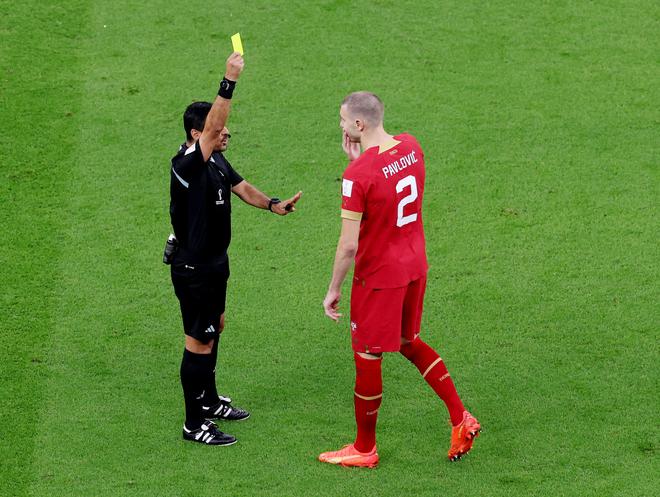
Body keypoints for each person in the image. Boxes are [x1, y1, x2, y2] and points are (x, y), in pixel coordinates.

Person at [318, 91, 480, 467]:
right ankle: (460, 417)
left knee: (367, 354)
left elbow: (348, 246)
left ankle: (364, 449)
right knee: (409, 340)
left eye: (343, 120)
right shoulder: (411, 145)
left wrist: (333, 289)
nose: (341, 126)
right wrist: (363, 163)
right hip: (414, 266)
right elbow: (390, 183)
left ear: (359, 124)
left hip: (379, 277)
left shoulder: (356, 176)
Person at [168, 51, 302, 446]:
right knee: (199, 340)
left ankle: (208, 402)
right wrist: (229, 80)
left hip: (215, 264)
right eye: (217, 129)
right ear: (198, 134)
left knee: (215, 328)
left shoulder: (218, 164)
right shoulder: (187, 162)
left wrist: (273, 204)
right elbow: (214, 130)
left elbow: (242, 189)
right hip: (194, 269)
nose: (227, 133)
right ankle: (194, 424)